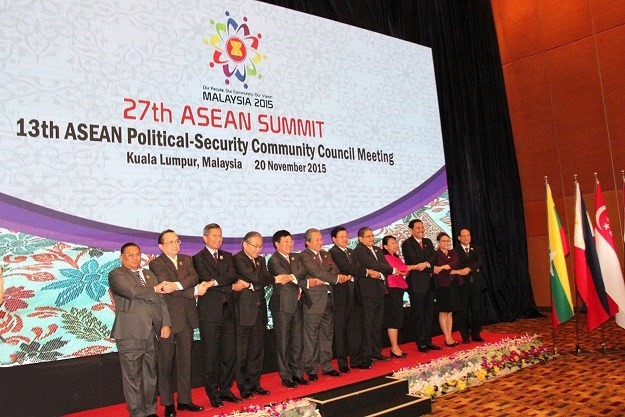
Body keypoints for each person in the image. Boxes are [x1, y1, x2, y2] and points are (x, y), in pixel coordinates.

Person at [109, 242, 172, 417]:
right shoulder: (116, 274)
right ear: (122, 258)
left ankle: (151, 411)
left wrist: (166, 323)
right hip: (130, 334)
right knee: (133, 377)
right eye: (130, 255)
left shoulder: (148, 274)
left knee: (150, 374)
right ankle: (137, 413)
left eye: (138, 254)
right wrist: (154, 288)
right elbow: (132, 291)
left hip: (151, 333)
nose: (135, 258)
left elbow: (161, 300)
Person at [149, 230, 205, 417]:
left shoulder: (186, 259)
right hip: (168, 320)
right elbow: (166, 288)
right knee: (165, 362)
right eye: (170, 242)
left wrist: (178, 285)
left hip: (187, 317)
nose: (175, 244)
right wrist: (191, 290)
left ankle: (184, 400)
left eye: (177, 241)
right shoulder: (156, 263)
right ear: (161, 246)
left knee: (185, 361)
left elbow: (193, 278)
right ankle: (167, 403)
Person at [192, 224, 241, 408]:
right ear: (205, 238)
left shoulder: (227, 256)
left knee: (229, 354)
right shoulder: (197, 258)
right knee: (211, 356)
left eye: (220, 235)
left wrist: (214, 281)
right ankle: (213, 392)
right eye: (214, 236)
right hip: (209, 314)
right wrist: (222, 283)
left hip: (229, 311)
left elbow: (232, 275)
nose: (218, 239)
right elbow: (205, 278)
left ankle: (226, 389)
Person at [300, 228, 350, 380]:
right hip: (314, 301)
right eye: (316, 240)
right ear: (307, 242)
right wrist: (332, 278)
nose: (320, 242)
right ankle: (311, 368)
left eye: (321, 239)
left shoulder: (326, 254)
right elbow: (316, 272)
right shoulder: (304, 255)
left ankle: (327, 366)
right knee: (311, 336)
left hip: (329, 298)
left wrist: (327, 277)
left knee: (327, 334)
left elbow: (334, 269)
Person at [232, 231, 275, 399]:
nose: (258, 249)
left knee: (258, 349)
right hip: (244, 310)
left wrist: (254, 283)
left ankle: (255, 382)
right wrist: (257, 281)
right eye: (255, 246)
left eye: (260, 246)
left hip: (259, 309)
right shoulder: (238, 259)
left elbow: (264, 279)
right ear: (245, 244)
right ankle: (243, 386)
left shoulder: (261, 260)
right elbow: (257, 277)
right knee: (242, 351)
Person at [267, 230, 311, 387]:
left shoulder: (296, 256)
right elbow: (282, 276)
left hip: (298, 303)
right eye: (286, 241)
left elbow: (303, 271)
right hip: (283, 306)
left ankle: (298, 373)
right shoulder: (273, 260)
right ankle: (286, 376)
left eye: (291, 241)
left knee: (297, 341)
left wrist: (291, 276)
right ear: (277, 244)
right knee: (283, 342)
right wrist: (295, 276)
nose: (290, 244)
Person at [328, 226, 371, 372]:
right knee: (340, 329)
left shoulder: (351, 252)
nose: (345, 239)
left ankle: (356, 359)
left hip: (354, 293)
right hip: (340, 295)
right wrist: (365, 272)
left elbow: (355, 268)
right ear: (334, 239)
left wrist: (355, 274)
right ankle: (342, 363)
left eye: (346, 236)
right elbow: (345, 267)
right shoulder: (333, 252)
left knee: (354, 328)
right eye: (341, 237)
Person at [353, 227, 396, 363]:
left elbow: (381, 265)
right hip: (367, 292)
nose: (371, 238)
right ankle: (366, 355)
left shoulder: (377, 250)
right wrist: (391, 270)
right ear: (360, 239)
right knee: (367, 323)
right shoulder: (359, 250)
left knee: (377, 324)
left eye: (372, 236)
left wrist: (381, 273)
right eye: (368, 236)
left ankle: (376, 352)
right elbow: (371, 264)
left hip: (379, 290)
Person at [401, 219, 441, 353]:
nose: (421, 230)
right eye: (417, 228)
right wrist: (426, 263)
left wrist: (426, 264)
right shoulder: (407, 244)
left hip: (430, 283)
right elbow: (413, 260)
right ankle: (420, 342)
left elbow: (434, 257)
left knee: (429, 313)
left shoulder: (428, 242)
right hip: (416, 284)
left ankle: (428, 340)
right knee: (418, 314)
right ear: (411, 230)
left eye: (422, 227)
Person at [381, 235, 412, 358]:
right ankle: (394, 347)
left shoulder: (395, 257)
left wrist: (403, 271)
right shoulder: (387, 257)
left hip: (398, 290)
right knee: (393, 319)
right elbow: (403, 268)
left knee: (397, 318)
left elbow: (404, 271)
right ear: (385, 246)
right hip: (392, 290)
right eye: (392, 243)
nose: (395, 245)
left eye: (395, 243)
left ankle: (395, 346)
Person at [455, 228, 487, 343]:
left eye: (468, 235)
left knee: (476, 310)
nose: (466, 238)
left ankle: (476, 334)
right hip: (462, 285)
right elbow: (458, 264)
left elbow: (479, 261)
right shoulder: (455, 251)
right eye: (463, 236)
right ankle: (465, 336)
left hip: (476, 284)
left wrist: (468, 268)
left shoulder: (477, 249)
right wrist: (474, 268)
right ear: (459, 238)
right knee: (463, 311)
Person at [433, 232, 462, 346]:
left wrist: (443, 267)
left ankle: (450, 335)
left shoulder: (453, 252)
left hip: (453, 284)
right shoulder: (435, 255)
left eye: (448, 241)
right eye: (443, 241)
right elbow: (437, 270)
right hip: (442, 285)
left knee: (450, 312)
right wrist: (447, 268)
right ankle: (446, 337)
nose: (446, 243)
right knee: (443, 311)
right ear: (438, 242)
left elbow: (455, 263)